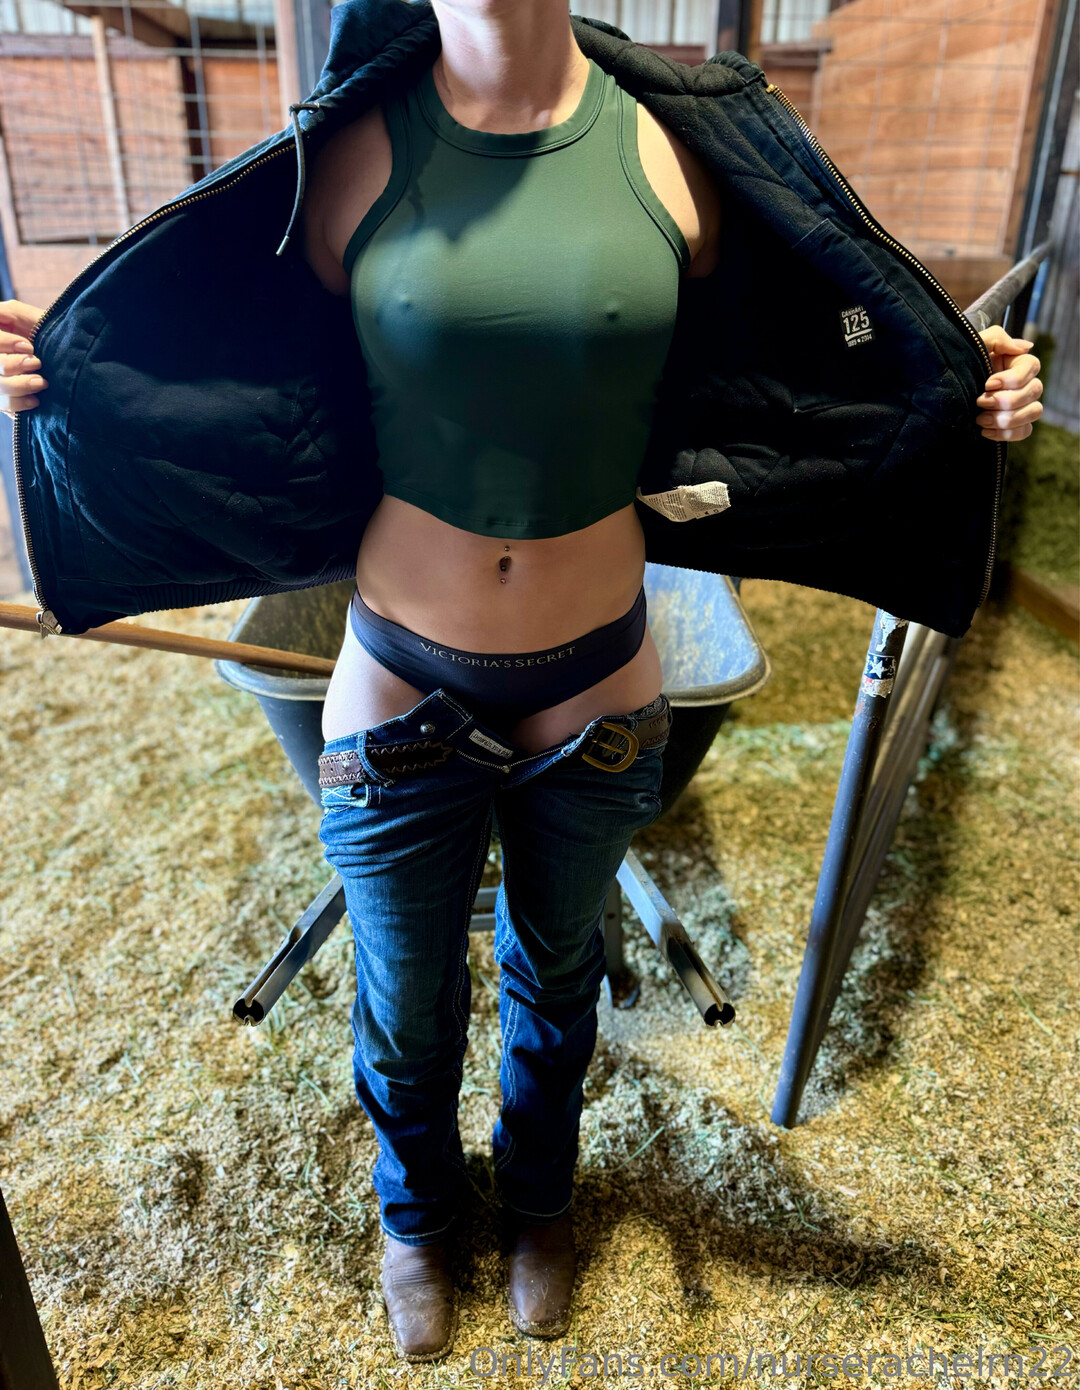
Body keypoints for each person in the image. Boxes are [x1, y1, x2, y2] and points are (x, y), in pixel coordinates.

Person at [0, 0, 1044, 1362]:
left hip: (598, 679)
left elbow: (814, 345)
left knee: (560, 980)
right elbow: (235, 367)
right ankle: (416, 1214)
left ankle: (541, 1198)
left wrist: (964, 386)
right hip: (397, 672)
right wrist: (66, 368)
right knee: (404, 999)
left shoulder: (683, 151)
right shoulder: (345, 156)